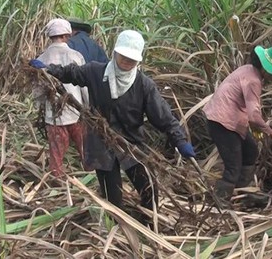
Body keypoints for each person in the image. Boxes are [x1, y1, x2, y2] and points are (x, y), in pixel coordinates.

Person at [29, 29, 195, 221]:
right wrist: (48, 69)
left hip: (130, 143)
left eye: (131, 59)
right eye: (123, 56)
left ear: (138, 61)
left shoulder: (144, 85)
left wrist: (180, 140)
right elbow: (70, 73)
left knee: (148, 187)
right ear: (115, 52)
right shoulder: (95, 72)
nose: (126, 62)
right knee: (112, 197)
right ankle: (117, 228)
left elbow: (164, 117)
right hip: (101, 143)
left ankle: (149, 223)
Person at [202, 45, 272, 207]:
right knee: (233, 168)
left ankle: (240, 195)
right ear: (266, 68)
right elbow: (254, 115)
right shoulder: (253, 81)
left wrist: (255, 126)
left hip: (227, 121)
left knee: (250, 152)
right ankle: (220, 206)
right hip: (223, 123)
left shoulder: (248, 70)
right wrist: (271, 132)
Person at [34, 18, 90, 178]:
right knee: (84, 148)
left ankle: (56, 179)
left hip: (54, 116)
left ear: (50, 36)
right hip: (76, 112)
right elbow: (84, 86)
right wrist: (87, 106)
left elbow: (37, 92)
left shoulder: (42, 59)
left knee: (56, 153)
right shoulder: (76, 56)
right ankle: (90, 173)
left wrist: (42, 109)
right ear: (67, 35)